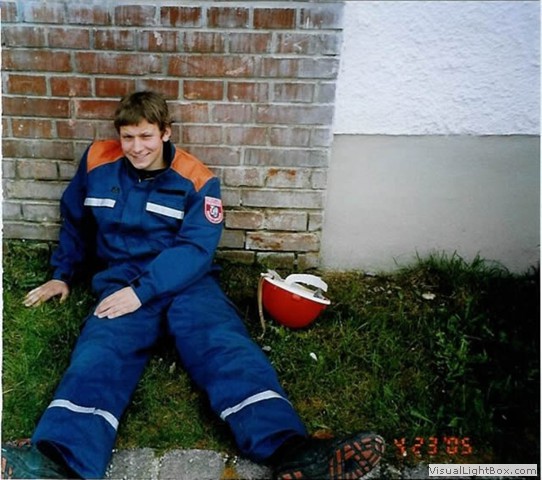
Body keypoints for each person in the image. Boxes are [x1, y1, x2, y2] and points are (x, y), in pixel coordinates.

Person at [1, 91, 385, 480]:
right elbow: (76, 221)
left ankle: (294, 452)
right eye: (128, 137)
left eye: (146, 136)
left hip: (187, 282)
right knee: (100, 349)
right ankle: (60, 460)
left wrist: (142, 293)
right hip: (122, 278)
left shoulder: (198, 179)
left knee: (222, 343)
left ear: (165, 133)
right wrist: (62, 274)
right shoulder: (98, 161)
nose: (136, 147)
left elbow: (195, 249)